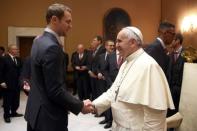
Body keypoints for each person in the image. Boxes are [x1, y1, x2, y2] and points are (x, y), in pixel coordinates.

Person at [24, 3, 93, 131]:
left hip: (35, 112)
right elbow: (55, 90)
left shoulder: (38, 41)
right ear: (54, 20)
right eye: (68, 22)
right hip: (48, 117)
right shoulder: (52, 47)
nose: (71, 26)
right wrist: (80, 105)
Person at [92, 26, 175, 131]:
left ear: (132, 42)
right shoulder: (125, 63)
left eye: (119, 41)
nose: (116, 45)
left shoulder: (149, 66)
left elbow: (156, 116)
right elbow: (113, 92)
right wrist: (94, 105)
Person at [0, 44, 23, 123]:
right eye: (15, 49)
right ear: (10, 50)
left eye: (17, 49)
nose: (17, 50)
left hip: (17, 84)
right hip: (7, 84)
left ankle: (13, 112)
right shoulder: (3, 59)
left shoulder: (18, 59)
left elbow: (20, 70)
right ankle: (6, 115)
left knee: (16, 100)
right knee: (7, 101)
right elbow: (0, 71)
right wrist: (2, 82)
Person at [96, 40, 115, 128]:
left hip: (110, 83)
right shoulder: (101, 56)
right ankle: (106, 118)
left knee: (110, 102)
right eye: (110, 45)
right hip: (101, 82)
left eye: (113, 45)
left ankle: (111, 120)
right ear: (106, 46)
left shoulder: (115, 56)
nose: (112, 47)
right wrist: (99, 73)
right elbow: (98, 67)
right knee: (104, 101)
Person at [167, 33, 186, 117]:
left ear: (178, 41)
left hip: (182, 93)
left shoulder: (188, 54)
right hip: (170, 91)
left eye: (173, 39)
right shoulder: (169, 55)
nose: (170, 41)